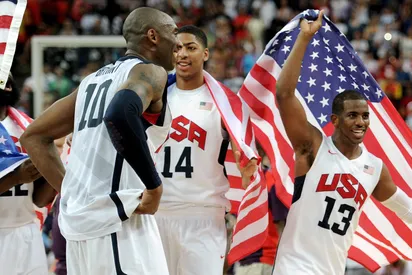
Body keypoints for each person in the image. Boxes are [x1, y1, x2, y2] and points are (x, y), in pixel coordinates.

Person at [272, 11, 412, 275]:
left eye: (365, 116)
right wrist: (304, 38)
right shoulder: (312, 146)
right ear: (335, 119)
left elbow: (407, 209)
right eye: (352, 115)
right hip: (294, 266)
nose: (360, 122)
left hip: (333, 269)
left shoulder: (373, 167)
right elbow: (284, 94)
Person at [20, 7, 179, 275]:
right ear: (153, 36)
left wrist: (70, 188)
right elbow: (119, 113)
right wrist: (154, 186)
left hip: (84, 224)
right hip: (117, 221)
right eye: (173, 32)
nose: (177, 41)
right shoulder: (150, 72)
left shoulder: (90, 82)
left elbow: (33, 136)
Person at [151, 25, 256, 275]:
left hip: (204, 215)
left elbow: (242, 154)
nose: (182, 54)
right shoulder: (154, 98)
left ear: (205, 54)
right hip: (157, 211)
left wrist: (245, 169)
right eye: (177, 48)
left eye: (191, 48)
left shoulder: (225, 103)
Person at [0, 72, 57, 275]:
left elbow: (39, 200)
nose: (6, 74)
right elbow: (20, 177)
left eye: (8, 69)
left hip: (26, 232)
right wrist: (16, 178)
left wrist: (52, 163)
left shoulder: (30, 128)